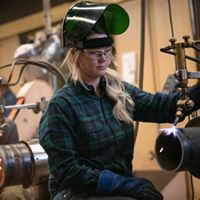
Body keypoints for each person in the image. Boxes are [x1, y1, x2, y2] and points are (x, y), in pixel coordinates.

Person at [39, 1, 200, 200]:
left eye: (107, 51)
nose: (103, 59)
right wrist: (122, 184)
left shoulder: (118, 90)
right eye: (95, 53)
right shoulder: (62, 106)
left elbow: (161, 108)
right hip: (77, 192)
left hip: (118, 188)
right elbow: (68, 171)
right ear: (76, 54)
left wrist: (197, 92)